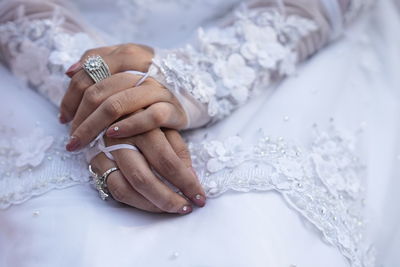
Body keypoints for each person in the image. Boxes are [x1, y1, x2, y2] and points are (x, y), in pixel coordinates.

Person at [0, 0, 399, 266]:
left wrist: (196, 79)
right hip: (48, 40)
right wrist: (95, 93)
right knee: (58, 241)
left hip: (273, 35)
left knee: (258, 235)